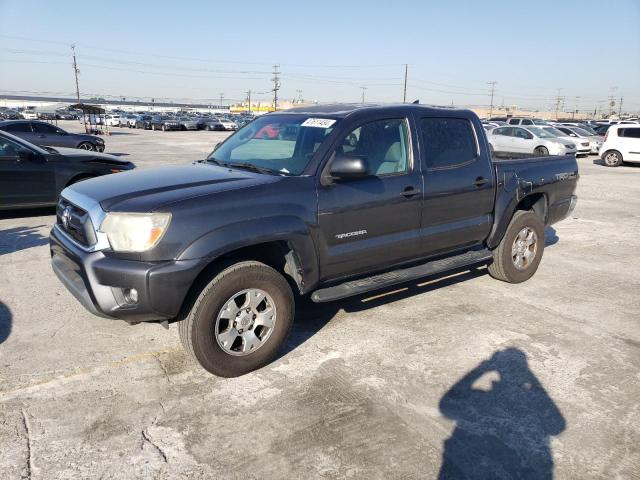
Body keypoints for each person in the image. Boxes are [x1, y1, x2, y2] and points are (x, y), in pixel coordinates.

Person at [439, 348, 566, 479]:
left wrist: (480, 370)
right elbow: (557, 426)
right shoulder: (528, 404)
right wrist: (529, 375)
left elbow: (446, 404)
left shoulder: (480, 399)